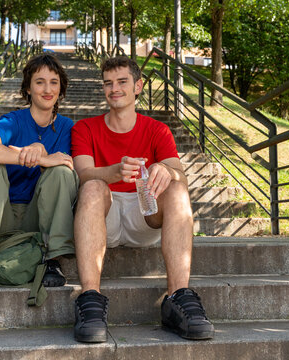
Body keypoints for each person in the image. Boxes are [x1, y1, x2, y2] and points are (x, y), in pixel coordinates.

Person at [70, 56, 214, 343]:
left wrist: (167, 170)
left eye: (122, 82)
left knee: (177, 189)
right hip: (103, 215)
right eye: (108, 83)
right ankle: (90, 299)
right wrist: (113, 172)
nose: (114, 89)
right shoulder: (84, 128)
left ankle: (177, 298)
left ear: (138, 86)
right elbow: (83, 174)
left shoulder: (157, 130)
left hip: (143, 214)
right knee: (92, 187)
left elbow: (182, 176)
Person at [0, 54, 78, 292]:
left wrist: (44, 161)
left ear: (61, 88)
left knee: (62, 172)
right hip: (1, 213)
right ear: (28, 88)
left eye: (53, 82)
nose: (47, 89)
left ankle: (53, 260)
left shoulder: (68, 128)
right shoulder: (13, 121)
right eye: (39, 82)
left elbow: (76, 172)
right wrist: (35, 157)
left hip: (39, 215)